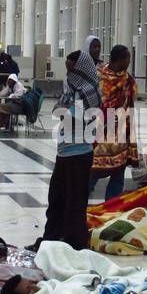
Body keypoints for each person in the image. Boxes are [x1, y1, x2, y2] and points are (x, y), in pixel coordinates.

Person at [37, 48, 100, 251]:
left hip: (80, 153)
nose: (69, 74)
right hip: (64, 152)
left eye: (72, 69)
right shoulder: (71, 89)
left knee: (75, 201)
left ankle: (73, 243)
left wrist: (67, 109)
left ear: (81, 69)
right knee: (56, 198)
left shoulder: (90, 91)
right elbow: (58, 111)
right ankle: (51, 238)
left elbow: (74, 115)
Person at [91, 44, 138, 200]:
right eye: (128, 58)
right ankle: (77, 206)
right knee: (94, 171)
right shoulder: (98, 76)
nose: (129, 61)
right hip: (100, 134)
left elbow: (130, 104)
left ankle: (111, 207)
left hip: (120, 135)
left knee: (118, 174)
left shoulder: (127, 79)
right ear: (120, 59)